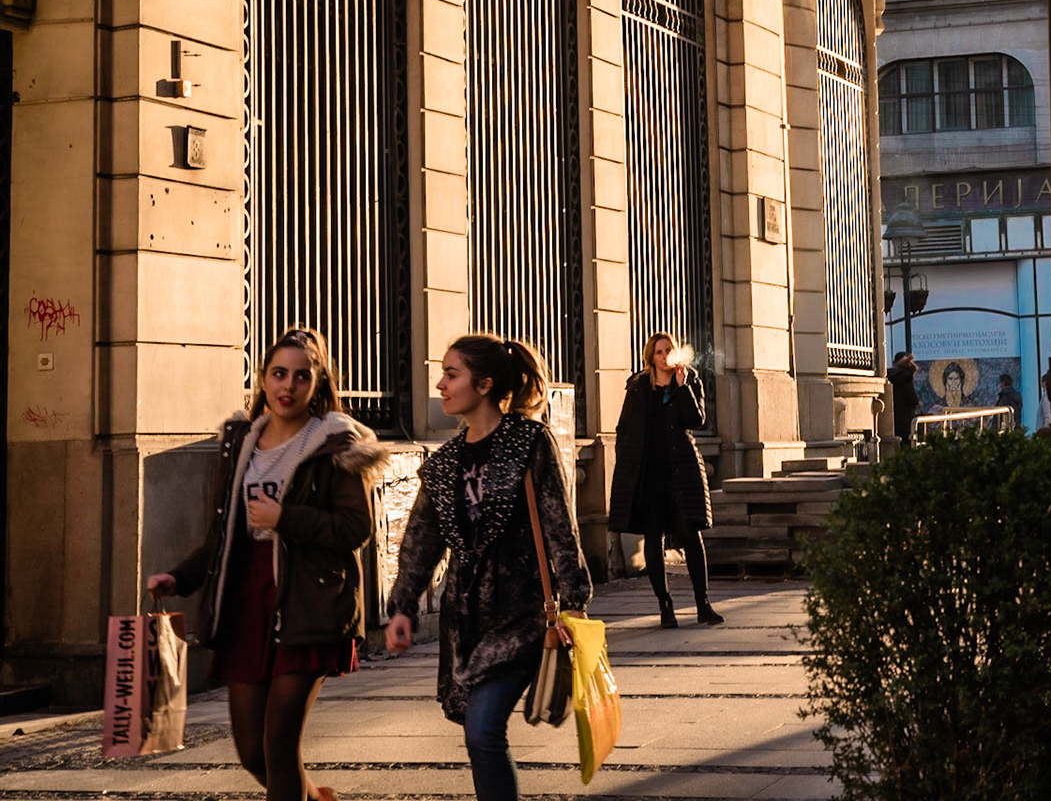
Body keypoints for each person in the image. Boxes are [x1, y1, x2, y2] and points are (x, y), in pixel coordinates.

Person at [147, 328, 386, 801]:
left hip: (310, 601)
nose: (288, 386)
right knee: (252, 752)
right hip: (246, 602)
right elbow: (222, 534)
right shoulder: (241, 442)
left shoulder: (335, 443)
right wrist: (179, 576)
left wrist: (285, 518)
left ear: (318, 383)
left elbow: (355, 528)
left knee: (279, 744)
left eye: (301, 376)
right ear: (262, 378)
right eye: (279, 374)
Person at [385, 335, 591, 801]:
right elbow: (421, 542)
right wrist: (403, 608)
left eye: (451, 374)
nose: (440, 384)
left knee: (482, 731)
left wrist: (574, 602)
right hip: (466, 621)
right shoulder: (443, 466)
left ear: (484, 384)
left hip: (522, 614)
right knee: (479, 735)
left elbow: (558, 524)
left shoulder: (528, 442)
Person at [608, 332, 722, 628]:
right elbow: (624, 428)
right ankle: (665, 606)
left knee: (691, 534)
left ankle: (703, 604)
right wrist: (627, 465)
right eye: (658, 352)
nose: (664, 356)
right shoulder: (638, 386)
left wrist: (682, 387)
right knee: (653, 537)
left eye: (668, 350)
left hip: (681, 470)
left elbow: (696, 420)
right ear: (651, 357)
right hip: (649, 473)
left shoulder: (689, 379)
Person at [888, 351, 918, 443]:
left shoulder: (888, 375)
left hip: (890, 419)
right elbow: (912, 400)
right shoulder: (906, 378)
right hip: (905, 420)